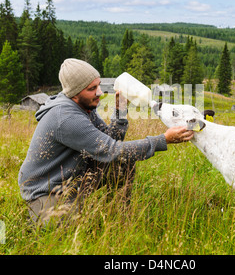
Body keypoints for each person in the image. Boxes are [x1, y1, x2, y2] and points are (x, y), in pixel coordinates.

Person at [18, 58, 194, 225]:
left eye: (99, 85)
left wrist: (120, 111)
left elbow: (108, 141)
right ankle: (38, 214)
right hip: (46, 191)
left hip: (73, 179)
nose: (100, 92)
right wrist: (163, 140)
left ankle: (119, 217)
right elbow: (112, 150)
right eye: (92, 88)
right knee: (70, 230)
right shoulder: (65, 117)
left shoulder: (84, 107)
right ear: (75, 92)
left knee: (123, 164)